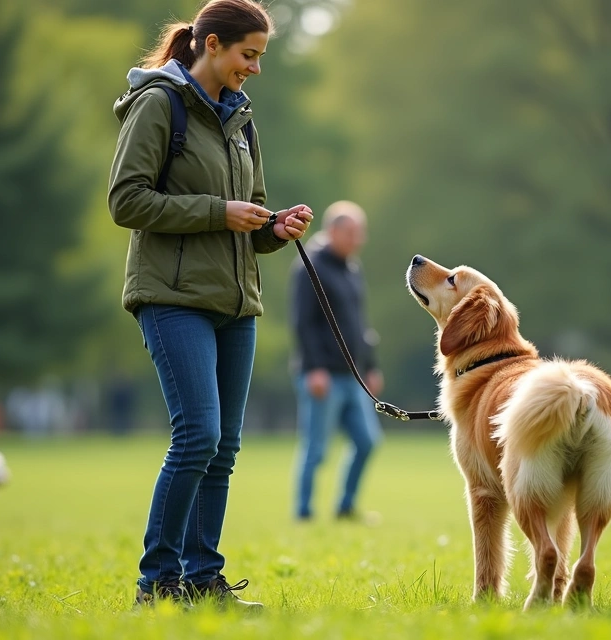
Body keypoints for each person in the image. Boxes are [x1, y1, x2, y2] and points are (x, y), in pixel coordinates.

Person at [107, 0, 314, 608]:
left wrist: (274, 227)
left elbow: (246, 219)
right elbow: (126, 202)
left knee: (222, 449)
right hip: (171, 298)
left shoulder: (242, 119)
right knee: (197, 434)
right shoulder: (158, 104)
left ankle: (202, 582)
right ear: (213, 44)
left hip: (235, 303)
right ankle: (157, 583)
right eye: (248, 55)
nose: (255, 68)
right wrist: (216, 212)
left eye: (260, 56)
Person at [289, 201, 383, 522]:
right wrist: (314, 368)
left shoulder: (352, 268)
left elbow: (360, 323)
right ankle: (303, 513)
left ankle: (346, 506)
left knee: (368, 441)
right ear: (332, 231)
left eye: (361, 233)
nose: (358, 239)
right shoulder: (309, 267)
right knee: (316, 449)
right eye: (351, 232)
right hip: (322, 375)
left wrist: (371, 366)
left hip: (353, 376)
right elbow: (303, 322)